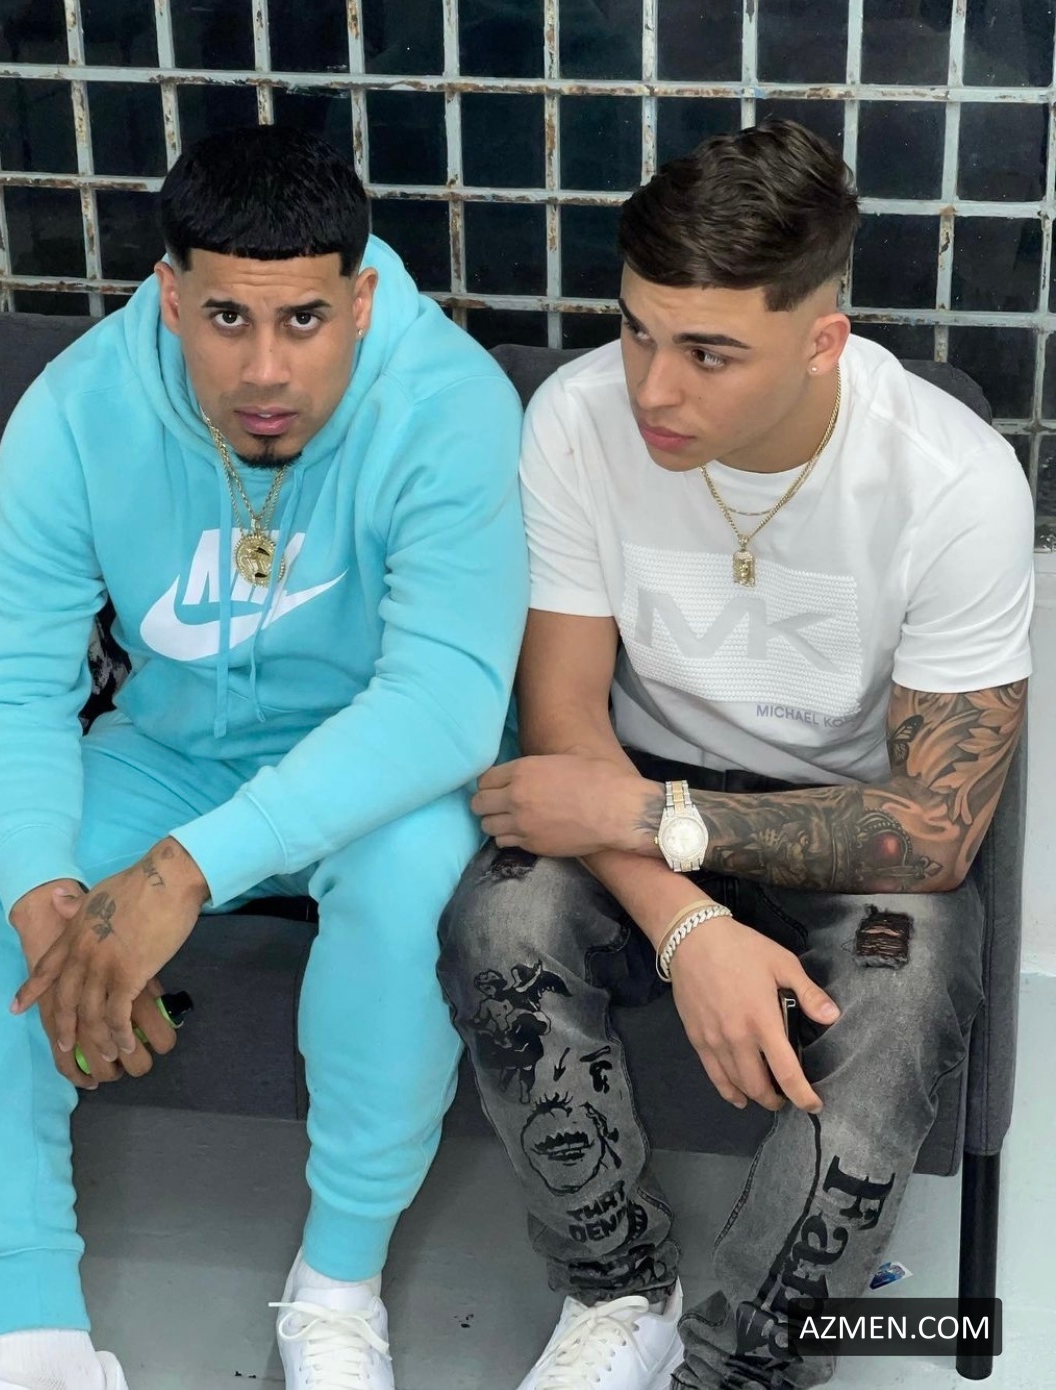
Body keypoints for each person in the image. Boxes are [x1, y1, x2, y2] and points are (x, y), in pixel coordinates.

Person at [437, 119, 1032, 1390]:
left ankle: (747, 1360)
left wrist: (659, 823)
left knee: (908, 986)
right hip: (635, 783)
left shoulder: (953, 479)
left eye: (708, 353)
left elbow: (935, 829)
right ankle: (619, 1288)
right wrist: (688, 923)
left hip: (849, 822)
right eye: (636, 330)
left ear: (824, 339)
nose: (655, 389)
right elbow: (564, 725)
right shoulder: (578, 421)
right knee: (500, 918)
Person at [0, 125, 527, 1390]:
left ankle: (338, 1283)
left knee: (417, 874)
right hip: (171, 753)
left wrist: (183, 872)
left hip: (375, 774)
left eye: (305, 320)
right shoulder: (82, 407)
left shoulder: (448, 401)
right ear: (169, 296)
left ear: (360, 301)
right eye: (225, 319)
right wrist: (45, 900)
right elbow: (11, 689)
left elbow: (444, 707)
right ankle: (36, 1340)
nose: (266, 369)